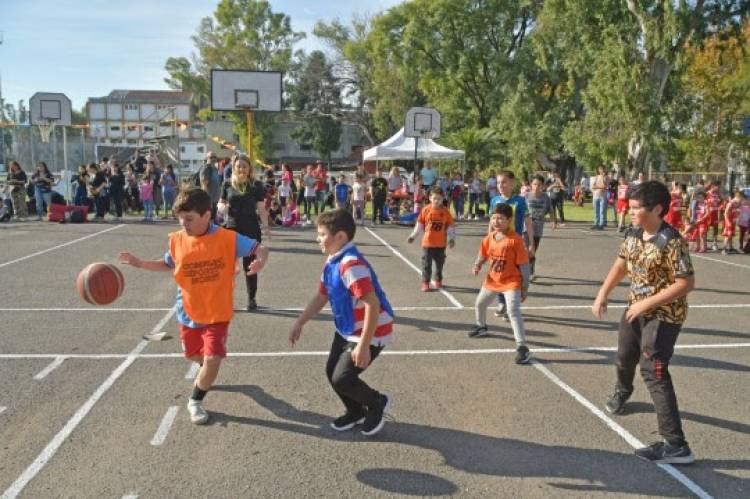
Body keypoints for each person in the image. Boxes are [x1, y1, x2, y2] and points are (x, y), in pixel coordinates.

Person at [120, 188, 269, 425]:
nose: (184, 224)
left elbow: (258, 247)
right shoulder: (178, 241)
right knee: (192, 354)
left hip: (217, 312)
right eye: (180, 219)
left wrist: (261, 259)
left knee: (213, 358)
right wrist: (140, 263)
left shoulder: (227, 238)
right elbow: (166, 264)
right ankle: (204, 368)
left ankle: (195, 400)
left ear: (207, 215)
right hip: (188, 310)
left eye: (189, 219)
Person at [592, 180, 695, 464]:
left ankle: (676, 445)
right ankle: (622, 391)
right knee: (625, 357)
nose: (631, 211)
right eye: (631, 206)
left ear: (657, 209)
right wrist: (603, 293)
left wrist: (647, 303)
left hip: (663, 316)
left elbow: (686, 282)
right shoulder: (634, 234)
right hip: (634, 310)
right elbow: (621, 264)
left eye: (637, 208)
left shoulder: (671, 241)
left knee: (654, 370)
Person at [288, 209, 394, 436]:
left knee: (343, 378)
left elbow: (372, 305)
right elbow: (321, 296)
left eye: (322, 234)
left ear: (340, 237)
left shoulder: (351, 265)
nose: (318, 239)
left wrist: (364, 345)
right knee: (331, 372)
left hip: (371, 329)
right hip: (347, 328)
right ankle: (355, 411)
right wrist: (300, 322)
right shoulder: (332, 262)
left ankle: (377, 401)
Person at [468, 203, 531, 364]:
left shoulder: (515, 240)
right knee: (480, 304)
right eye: (494, 218)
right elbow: (482, 254)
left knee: (513, 311)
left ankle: (522, 347)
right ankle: (481, 326)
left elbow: (524, 266)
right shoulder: (489, 238)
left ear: (509, 220)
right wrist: (477, 265)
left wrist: (524, 287)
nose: (496, 221)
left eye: (501, 218)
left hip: (511, 281)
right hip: (493, 279)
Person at [219, 154, 270, 311]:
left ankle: (251, 299)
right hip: (231, 229)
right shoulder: (227, 184)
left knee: (251, 266)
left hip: (251, 229)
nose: (241, 169)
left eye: (244, 166)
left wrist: (266, 226)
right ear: (234, 167)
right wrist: (222, 208)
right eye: (238, 166)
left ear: (249, 169)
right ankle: (225, 299)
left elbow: (261, 208)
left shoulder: (256, 185)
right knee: (228, 268)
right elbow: (221, 203)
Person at [489, 170, 535, 320]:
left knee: (514, 276)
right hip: (498, 244)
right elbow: (491, 223)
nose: (500, 185)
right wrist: (489, 239)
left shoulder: (520, 201)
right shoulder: (495, 200)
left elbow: (528, 222)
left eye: (504, 182)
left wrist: (531, 243)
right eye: (498, 182)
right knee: (499, 274)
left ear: (513, 183)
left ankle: (511, 307)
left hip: (514, 244)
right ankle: (502, 302)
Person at [407, 187, 455, 291]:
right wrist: (413, 236)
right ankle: (425, 283)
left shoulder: (446, 212)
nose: (437, 201)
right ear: (430, 198)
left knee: (439, 265)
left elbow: (450, 226)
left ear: (443, 199)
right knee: (426, 265)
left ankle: (438, 280)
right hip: (427, 244)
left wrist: (451, 239)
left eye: (439, 198)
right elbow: (419, 225)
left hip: (440, 244)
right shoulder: (426, 210)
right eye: (434, 198)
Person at [524, 175, 551, 281]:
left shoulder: (545, 197)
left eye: (539, 184)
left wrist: (553, 221)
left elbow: (550, 210)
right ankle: (527, 271)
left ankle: (530, 270)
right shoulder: (526, 196)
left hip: (538, 228)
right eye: (535, 184)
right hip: (526, 228)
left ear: (543, 186)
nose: (536, 186)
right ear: (531, 185)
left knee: (533, 251)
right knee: (527, 249)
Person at [200, 152, 222, 220]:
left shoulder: (215, 169)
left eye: (214, 157)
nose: (213, 159)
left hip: (215, 200)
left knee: (213, 221)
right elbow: (204, 185)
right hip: (210, 201)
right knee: (209, 220)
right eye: (211, 157)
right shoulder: (206, 168)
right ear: (207, 158)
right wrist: (207, 200)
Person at [705, 181, 722, 251]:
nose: (719, 188)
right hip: (708, 214)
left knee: (715, 228)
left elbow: (721, 202)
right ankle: (704, 243)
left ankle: (714, 243)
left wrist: (720, 206)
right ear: (713, 186)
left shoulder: (718, 194)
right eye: (718, 187)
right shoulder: (707, 193)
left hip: (715, 213)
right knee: (706, 228)